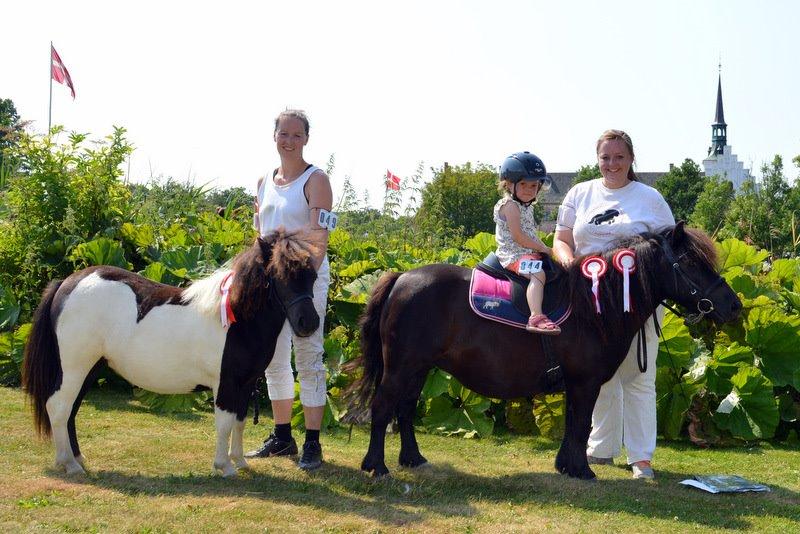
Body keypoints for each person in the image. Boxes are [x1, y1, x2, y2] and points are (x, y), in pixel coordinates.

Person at [552, 129, 675, 479]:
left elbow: (668, 249)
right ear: (598, 159)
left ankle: (641, 458)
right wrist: (571, 265)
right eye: (606, 157)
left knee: (638, 376)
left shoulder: (650, 198)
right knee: (597, 375)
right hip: (590, 301)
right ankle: (601, 448)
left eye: (619, 157)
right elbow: (562, 240)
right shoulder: (580, 193)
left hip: (638, 301)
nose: (612, 164)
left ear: (631, 159)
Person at [245, 109, 332, 470]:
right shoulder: (265, 180)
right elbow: (258, 233)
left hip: (303, 281)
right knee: (274, 359)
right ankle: (282, 437)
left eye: (297, 135)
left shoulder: (317, 180)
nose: (289, 141)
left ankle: (312, 442)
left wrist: (301, 280)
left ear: (307, 139)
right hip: (269, 284)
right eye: (284, 134)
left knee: (309, 355)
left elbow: (320, 236)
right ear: (274, 136)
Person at [495, 152, 559, 335]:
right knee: (538, 273)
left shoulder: (526, 206)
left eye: (533, 185)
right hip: (513, 255)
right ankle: (536, 317)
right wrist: (544, 248)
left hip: (527, 252)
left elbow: (531, 234)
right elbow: (519, 237)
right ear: (508, 184)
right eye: (523, 184)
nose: (529, 190)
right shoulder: (510, 206)